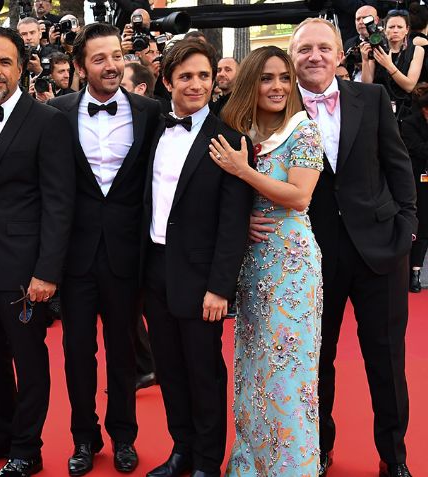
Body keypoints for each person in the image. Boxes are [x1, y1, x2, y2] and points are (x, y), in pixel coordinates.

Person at [256, 18, 415, 477]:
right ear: (292, 55)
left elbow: (398, 164)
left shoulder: (373, 98)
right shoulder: (275, 111)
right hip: (309, 257)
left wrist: (407, 226)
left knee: (386, 359)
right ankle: (317, 450)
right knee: (315, 361)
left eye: (324, 47)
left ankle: (394, 456)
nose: (315, 57)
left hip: (381, 250)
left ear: (339, 53)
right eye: (304, 49)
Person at [0, 25, 75, 477]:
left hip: (25, 270)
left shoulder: (47, 121)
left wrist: (47, 272)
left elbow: (59, 203)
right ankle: (0, 435)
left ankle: (28, 447)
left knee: (28, 360)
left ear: (22, 67)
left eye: (4, 62)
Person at [48, 22, 161, 477]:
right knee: (77, 353)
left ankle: (125, 438)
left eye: (116, 55)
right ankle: (83, 437)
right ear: (79, 67)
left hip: (125, 253)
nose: (112, 65)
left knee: (123, 351)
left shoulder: (150, 111)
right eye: (99, 58)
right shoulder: (56, 112)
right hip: (74, 256)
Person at [141, 38, 252, 477]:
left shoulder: (229, 139)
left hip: (201, 277)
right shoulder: (154, 128)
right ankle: (181, 450)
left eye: (204, 75)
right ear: (167, 80)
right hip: (154, 269)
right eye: (186, 76)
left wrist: (220, 287)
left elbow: (233, 223)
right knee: (169, 369)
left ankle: (207, 462)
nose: (197, 84)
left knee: (204, 373)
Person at [214, 45, 324, 476]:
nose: (277, 86)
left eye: (284, 78)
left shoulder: (304, 131)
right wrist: (240, 223)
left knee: (289, 373)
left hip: (292, 268)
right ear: (249, 83)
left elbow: (300, 196)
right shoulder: (239, 131)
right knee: (253, 367)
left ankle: (291, 468)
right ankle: (252, 464)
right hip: (252, 264)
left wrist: (244, 171)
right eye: (266, 78)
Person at [359, 11, 424, 120]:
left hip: (404, 110)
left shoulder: (417, 50)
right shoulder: (377, 48)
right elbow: (366, 83)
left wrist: (389, 65)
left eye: (399, 27)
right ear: (384, 29)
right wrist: (365, 60)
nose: (395, 30)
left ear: (407, 30)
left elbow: (409, 86)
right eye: (391, 27)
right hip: (378, 106)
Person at [401, 84, 428, 292]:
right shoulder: (409, 124)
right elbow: (418, 150)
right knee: (422, 227)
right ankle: (414, 273)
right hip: (419, 181)